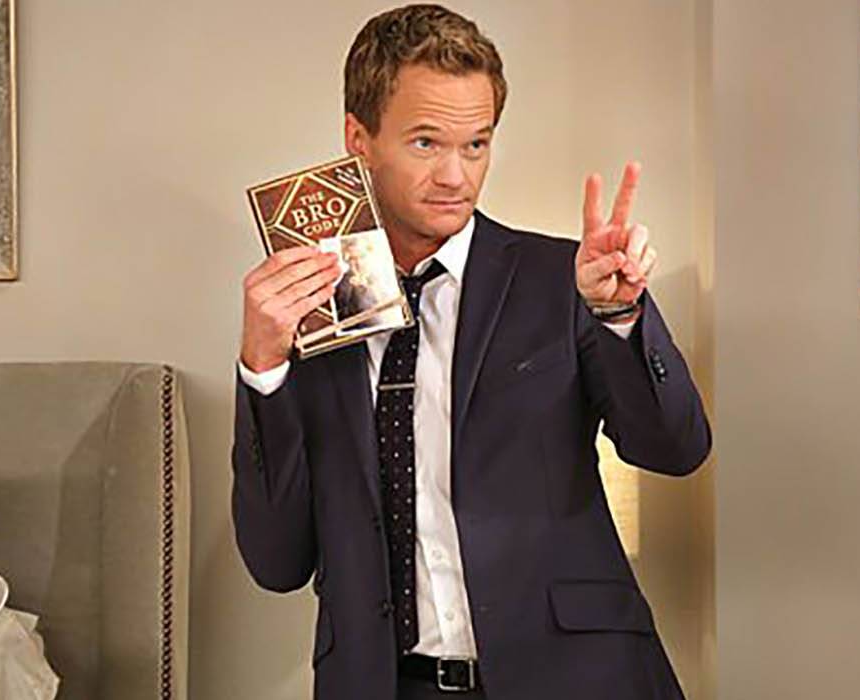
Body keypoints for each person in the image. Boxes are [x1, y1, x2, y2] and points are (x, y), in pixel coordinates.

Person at [232, 5, 711, 699]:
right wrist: (263, 369)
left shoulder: (567, 280)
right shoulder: (305, 311)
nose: (456, 176)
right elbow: (277, 562)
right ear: (358, 139)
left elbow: (676, 449)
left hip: (577, 680)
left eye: (477, 144)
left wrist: (618, 313)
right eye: (427, 143)